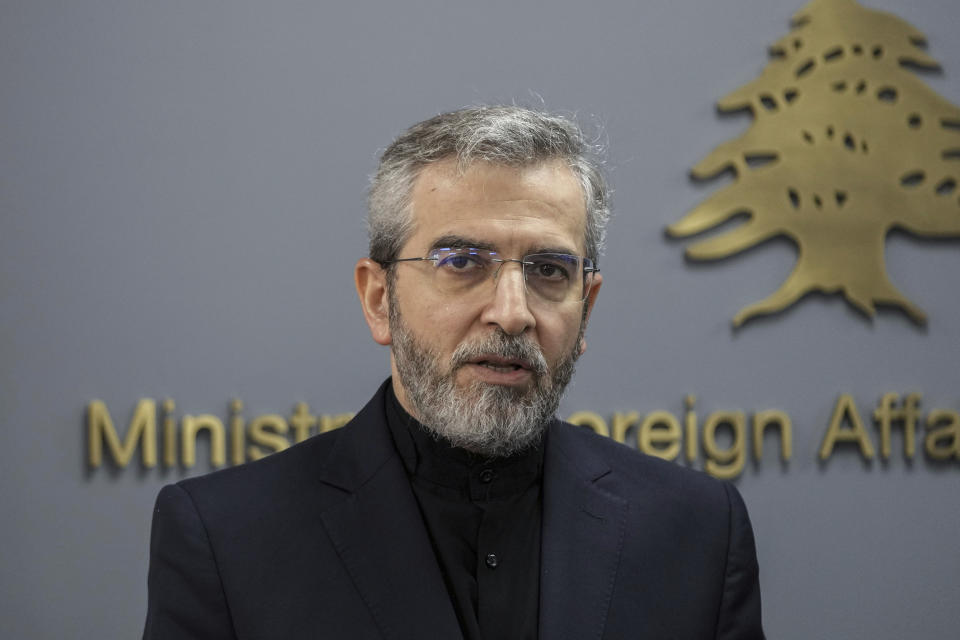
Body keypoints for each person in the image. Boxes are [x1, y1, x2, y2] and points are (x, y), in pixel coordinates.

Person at [142, 106, 764, 639]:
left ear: (587, 305)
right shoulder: (226, 540)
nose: (513, 313)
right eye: (462, 261)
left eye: (549, 270)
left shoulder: (698, 533)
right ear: (379, 299)